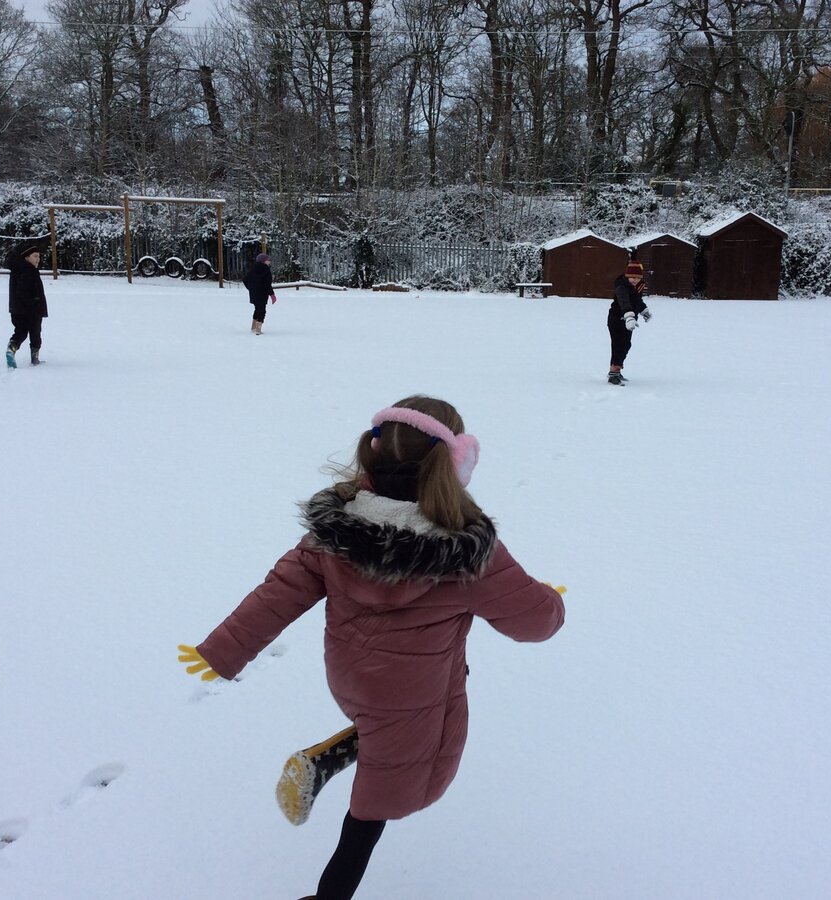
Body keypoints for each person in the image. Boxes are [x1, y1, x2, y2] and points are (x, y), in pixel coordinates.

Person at [178, 395, 566, 900]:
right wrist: (548, 601)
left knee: (389, 729)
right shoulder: (469, 553)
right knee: (382, 794)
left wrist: (222, 650)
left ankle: (325, 760)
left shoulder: (336, 529)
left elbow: (278, 594)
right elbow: (535, 624)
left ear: (375, 451)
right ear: (455, 462)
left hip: (349, 674)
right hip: (415, 689)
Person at [607, 259, 651, 385]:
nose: (634, 280)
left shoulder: (637, 287)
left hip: (629, 321)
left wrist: (644, 311)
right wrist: (629, 316)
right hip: (617, 319)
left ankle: (617, 370)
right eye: (632, 277)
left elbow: (637, 301)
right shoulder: (621, 286)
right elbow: (624, 301)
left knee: (626, 344)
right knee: (619, 345)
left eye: (637, 278)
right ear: (627, 276)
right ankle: (613, 373)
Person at [6, 240, 48, 367]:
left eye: (39, 256)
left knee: (20, 332)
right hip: (32, 309)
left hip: (17, 309)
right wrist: (35, 302)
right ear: (26, 257)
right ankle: (35, 359)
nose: (38, 259)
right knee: (35, 333)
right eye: (35, 256)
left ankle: (11, 349)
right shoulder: (28, 271)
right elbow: (24, 291)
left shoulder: (18, 269)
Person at [242, 251, 277, 334]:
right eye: (268, 260)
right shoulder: (266, 270)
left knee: (257, 309)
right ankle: (258, 330)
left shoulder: (253, 269)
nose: (270, 262)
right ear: (264, 261)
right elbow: (267, 284)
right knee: (262, 311)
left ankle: (253, 327)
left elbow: (245, 280)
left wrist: (251, 288)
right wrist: (272, 295)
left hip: (254, 294)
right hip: (262, 294)